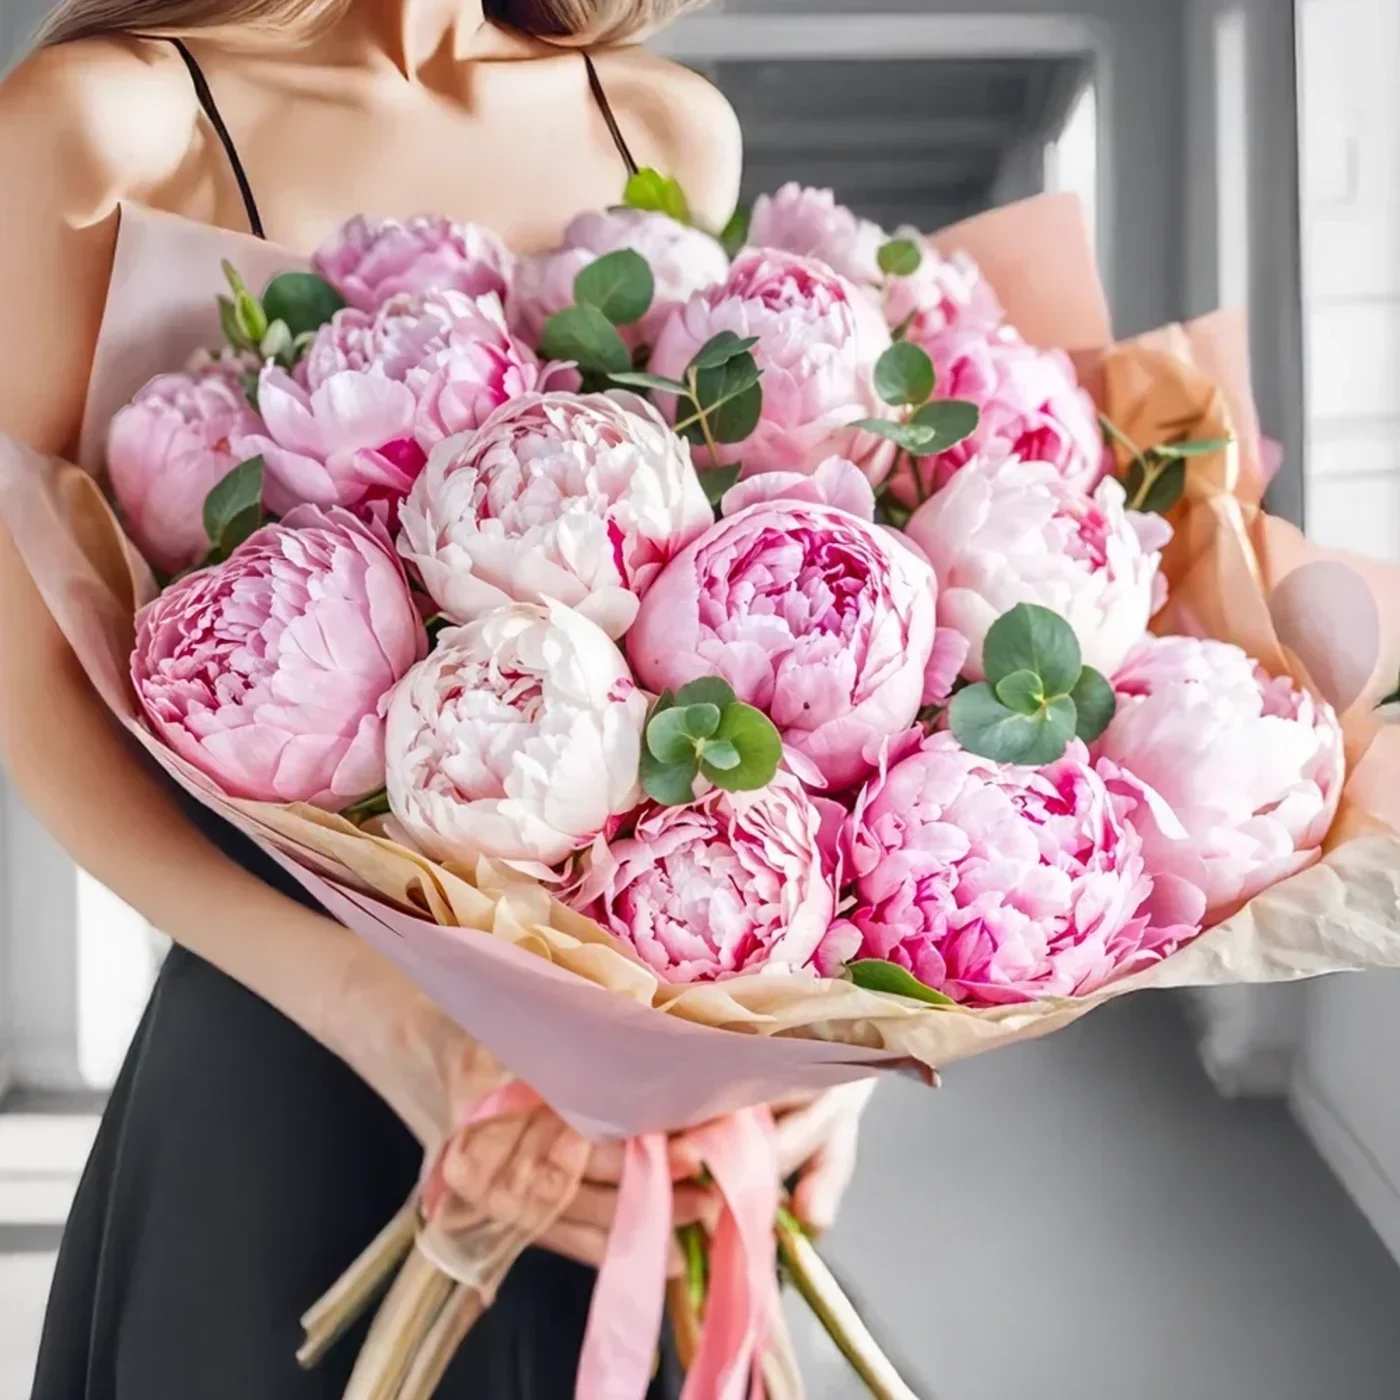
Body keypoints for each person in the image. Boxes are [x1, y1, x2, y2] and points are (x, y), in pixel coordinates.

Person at [0, 1, 870, 1395]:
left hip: (623, 1135)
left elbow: (735, 676)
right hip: (281, 1065)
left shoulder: (660, 128)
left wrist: (815, 1058)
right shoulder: (102, 125)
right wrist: (399, 1025)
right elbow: (34, 698)